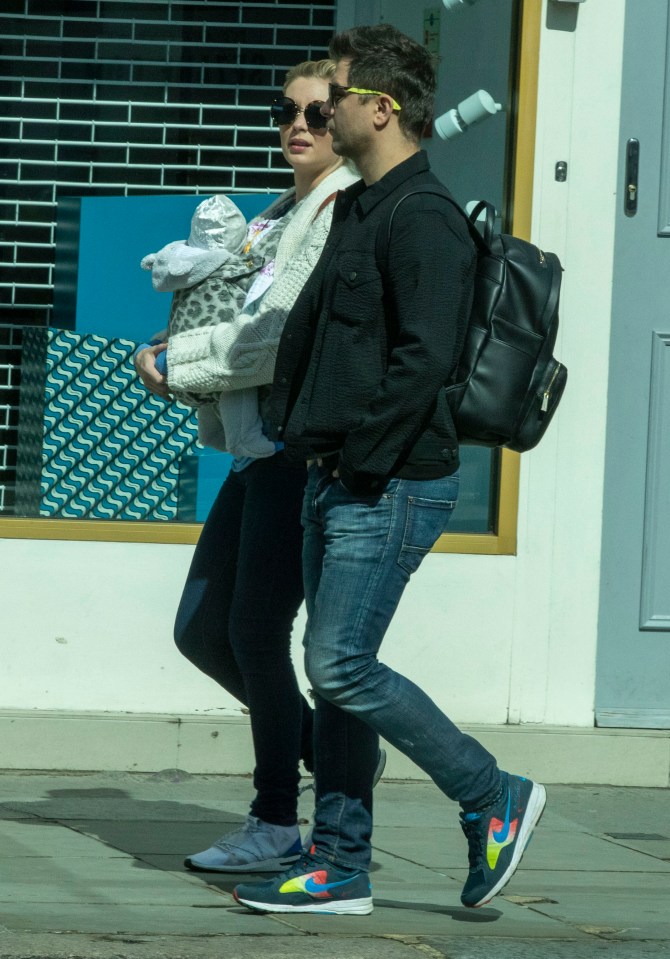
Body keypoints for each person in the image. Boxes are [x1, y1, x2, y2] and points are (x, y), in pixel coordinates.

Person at [232, 25, 546, 915]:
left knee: (339, 665)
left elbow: (424, 363)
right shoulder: (361, 204)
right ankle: (339, 864)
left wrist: (360, 460)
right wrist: (301, 435)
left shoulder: (427, 219)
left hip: (392, 480)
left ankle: (493, 795)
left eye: (333, 95)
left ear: (380, 106)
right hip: (332, 471)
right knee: (332, 672)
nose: (321, 110)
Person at [135, 59, 362, 873]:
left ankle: (275, 818)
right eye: (287, 110)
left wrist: (183, 361)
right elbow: (232, 301)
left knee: (254, 630)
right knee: (204, 628)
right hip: (256, 450)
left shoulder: (339, 210)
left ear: (351, 121)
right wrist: (181, 347)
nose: (298, 125)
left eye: (318, 113)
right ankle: (330, 755)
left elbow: (272, 335)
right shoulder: (280, 211)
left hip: (297, 453)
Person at [140, 193, 275, 458]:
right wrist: (148, 352)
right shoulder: (232, 265)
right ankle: (242, 438)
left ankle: (213, 434)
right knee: (236, 383)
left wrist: (154, 350)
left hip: (183, 351)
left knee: (230, 377)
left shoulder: (183, 262)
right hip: (214, 354)